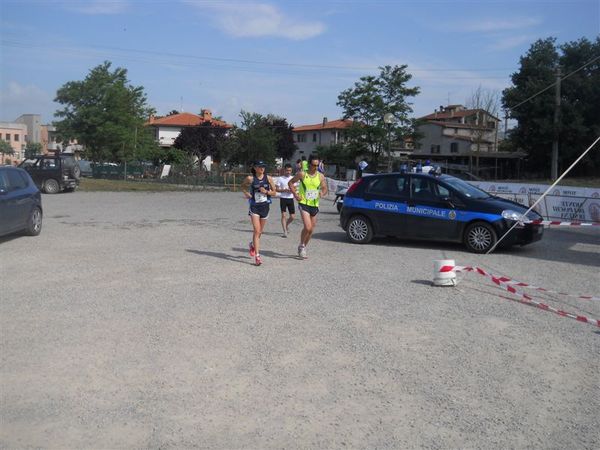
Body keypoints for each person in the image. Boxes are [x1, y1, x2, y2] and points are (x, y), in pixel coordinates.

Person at [288, 155, 328, 259]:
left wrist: (321, 194)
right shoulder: (302, 174)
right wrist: (296, 194)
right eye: (314, 165)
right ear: (309, 164)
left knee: (311, 230)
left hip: (314, 204)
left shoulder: (320, 176)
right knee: (307, 227)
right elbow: (290, 183)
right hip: (304, 203)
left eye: (317, 165)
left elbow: (324, 188)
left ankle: (303, 247)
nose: (315, 167)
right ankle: (302, 245)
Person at [241, 161, 277, 266]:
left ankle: (252, 244)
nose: (262, 168)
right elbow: (242, 186)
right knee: (256, 230)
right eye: (260, 167)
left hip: (265, 207)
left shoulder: (269, 178)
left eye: (264, 167)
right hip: (254, 207)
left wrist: (266, 192)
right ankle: (257, 256)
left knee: (260, 231)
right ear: (255, 168)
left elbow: (274, 192)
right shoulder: (250, 178)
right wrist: (247, 193)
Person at [275, 163, 296, 237]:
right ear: (284, 170)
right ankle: (285, 232)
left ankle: (286, 224)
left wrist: (292, 190)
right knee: (283, 215)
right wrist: (284, 190)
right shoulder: (280, 178)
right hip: (283, 199)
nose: (288, 172)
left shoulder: (293, 178)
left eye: (290, 170)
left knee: (293, 217)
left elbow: (295, 188)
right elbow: (276, 189)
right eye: (287, 170)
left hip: (290, 199)